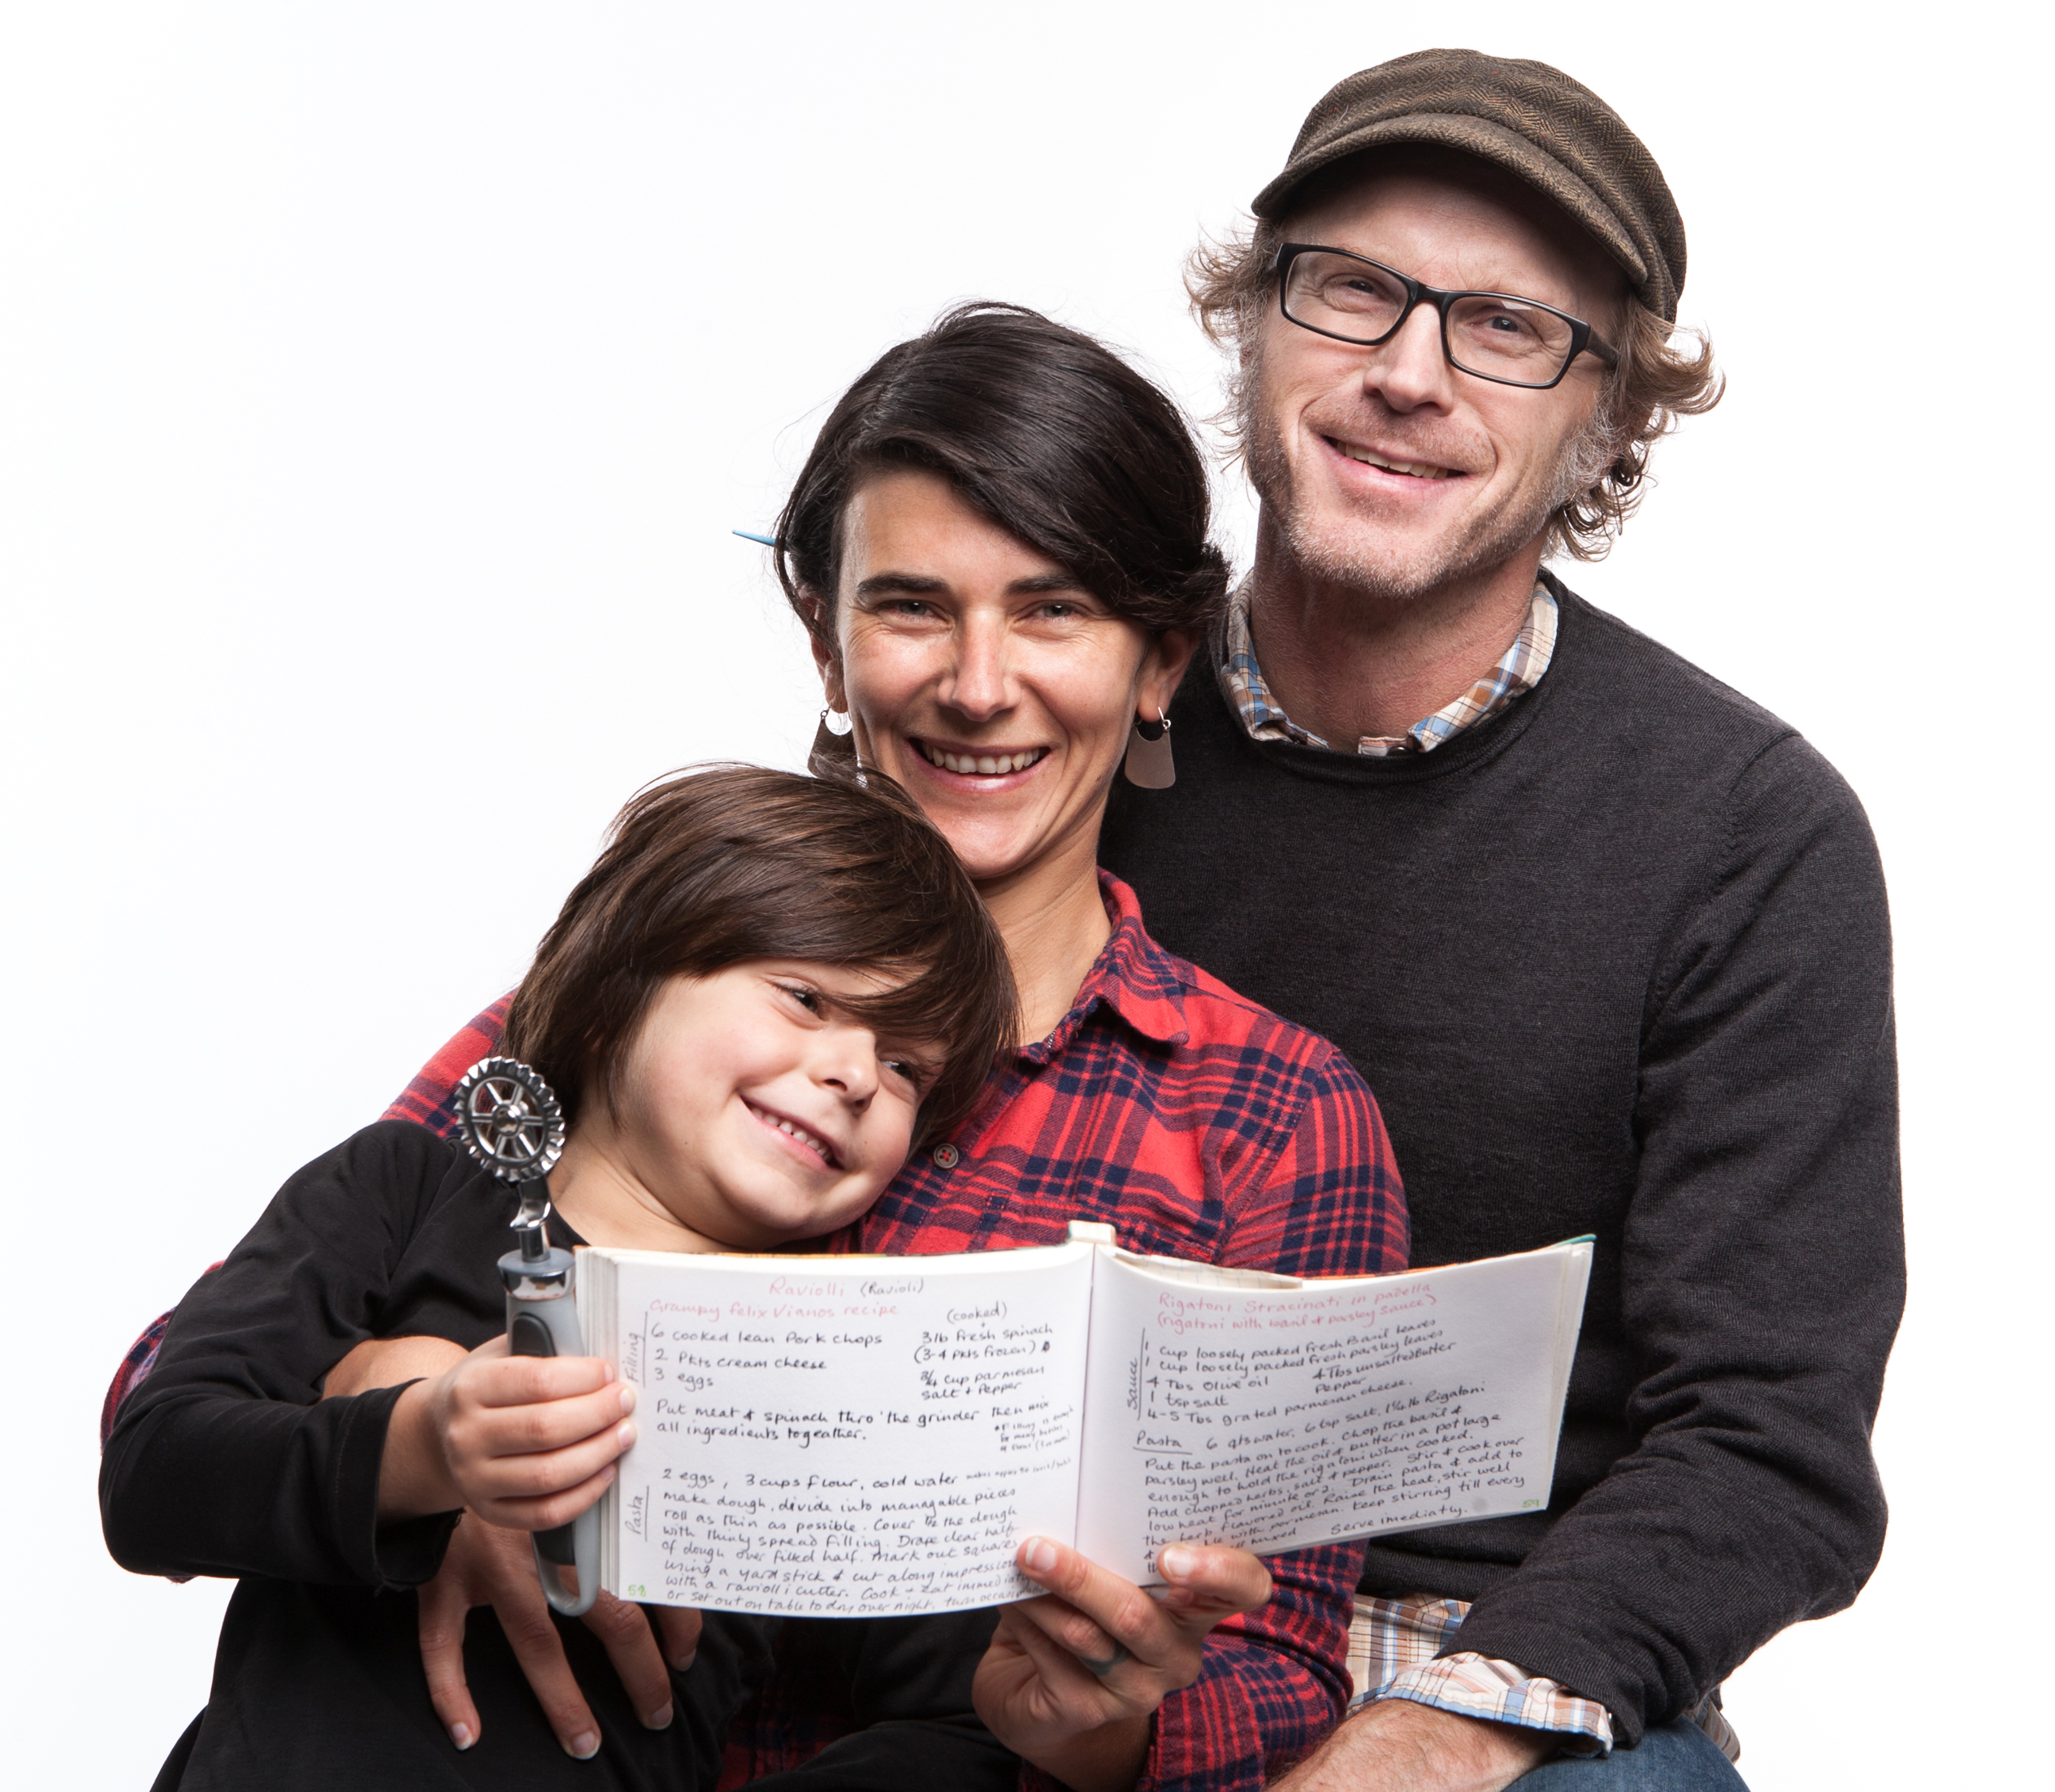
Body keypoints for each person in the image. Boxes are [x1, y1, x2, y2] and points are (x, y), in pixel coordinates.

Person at [107, 305, 1411, 1792]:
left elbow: (1272, 1674)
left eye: (1052, 611)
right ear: (826, 644)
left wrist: (1084, 1716)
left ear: (1160, 662)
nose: (978, 683)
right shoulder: (617, 1011)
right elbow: (180, 1395)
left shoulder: (1269, 1112)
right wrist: (424, 1430)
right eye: (911, 606)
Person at [1097, 47, 1902, 1792]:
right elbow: (642, 1095)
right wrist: (486, 1368)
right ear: (1253, 319)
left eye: (1507, 328)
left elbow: (1768, 1442)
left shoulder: (1745, 834)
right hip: (1054, 1634)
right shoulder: (1043, 723)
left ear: (1606, 414)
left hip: (1493, 1677)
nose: (1407, 374)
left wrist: (1431, 1736)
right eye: (1350, 289)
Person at [102, 765, 1021, 1790]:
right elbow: (153, 1480)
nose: (854, 1075)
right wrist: (420, 1449)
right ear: (623, 984)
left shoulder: (831, 1363)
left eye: (907, 1068)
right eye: (807, 999)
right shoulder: (404, 1186)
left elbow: (969, 1728)